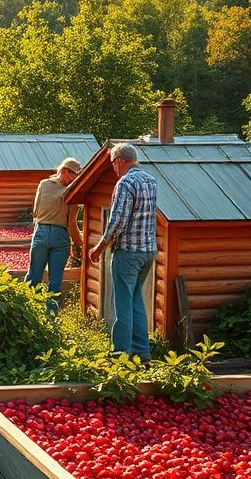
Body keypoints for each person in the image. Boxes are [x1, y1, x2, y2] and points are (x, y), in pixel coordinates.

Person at [88, 143, 158, 359]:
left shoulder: (125, 183)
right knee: (135, 299)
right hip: (148, 251)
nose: (113, 168)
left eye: (112, 163)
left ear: (119, 160)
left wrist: (99, 247)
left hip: (128, 252)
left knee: (122, 304)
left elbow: (117, 221)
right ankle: (142, 353)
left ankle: (120, 354)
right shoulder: (151, 180)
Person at [26, 157, 83, 313]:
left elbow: (36, 212)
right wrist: (80, 243)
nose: (74, 179)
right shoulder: (72, 193)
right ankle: (50, 316)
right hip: (60, 235)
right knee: (54, 281)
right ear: (64, 171)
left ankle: (27, 312)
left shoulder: (43, 184)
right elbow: (72, 223)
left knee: (34, 277)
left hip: (41, 231)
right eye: (73, 175)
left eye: (76, 177)